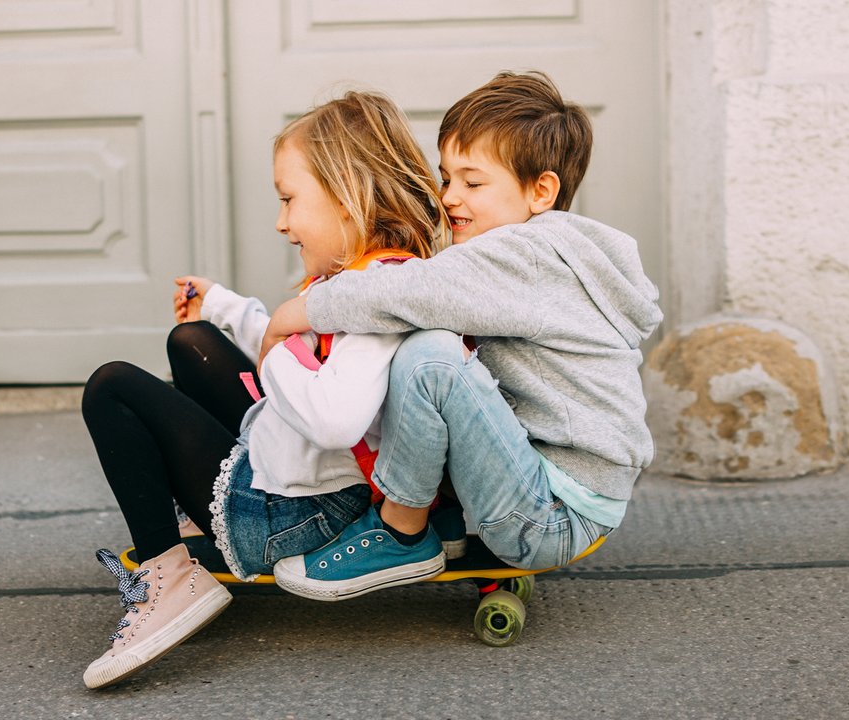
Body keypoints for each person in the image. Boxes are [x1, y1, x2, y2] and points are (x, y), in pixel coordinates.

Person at [79, 90, 447, 689]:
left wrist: (277, 345)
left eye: (289, 200)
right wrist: (226, 308)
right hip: (302, 477)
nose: (281, 221)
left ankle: (169, 580)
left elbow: (334, 418)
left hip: (295, 513)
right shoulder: (371, 275)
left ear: (347, 194)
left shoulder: (376, 298)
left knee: (112, 388)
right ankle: (190, 523)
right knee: (190, 338)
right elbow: (309, 347)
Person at [267, 71, 663, 601]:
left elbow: (408, 292)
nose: (449, 196)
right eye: (446, 177)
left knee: (430, 356)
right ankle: (445, 522)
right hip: (551, 487)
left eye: (472, 183)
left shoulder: (528, 255)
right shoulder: (544, 255)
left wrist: (301, 311)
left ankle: (401, 531)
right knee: (442, 353)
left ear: (541, 191)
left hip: (552, 515)